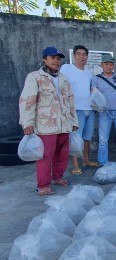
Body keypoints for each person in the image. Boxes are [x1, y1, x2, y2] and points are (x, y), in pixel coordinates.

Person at [19, 47, 78, 195]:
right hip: (46, 125)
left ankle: (57, 178)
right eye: (52, 58)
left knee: (62, 155)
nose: (56, 61)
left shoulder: (64, 79)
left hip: (64, 124)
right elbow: (28, 101)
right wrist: (27, 123)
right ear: (45, 59)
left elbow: (70, 101)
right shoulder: (35, 77)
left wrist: (74, 121)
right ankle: (43, 185)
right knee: (45, 156)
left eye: (58, 58)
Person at [60, 45, 98, 175]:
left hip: (90, 109)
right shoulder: (67, 68)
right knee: (76, 137)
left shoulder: (89, 73)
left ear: (87, 57)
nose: (82, 57)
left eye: (84, 54)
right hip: (76, 109)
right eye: (79, 54)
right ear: (74, 55)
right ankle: (76, 164)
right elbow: (61, 87)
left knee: (87, 137)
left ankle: (86, 160)